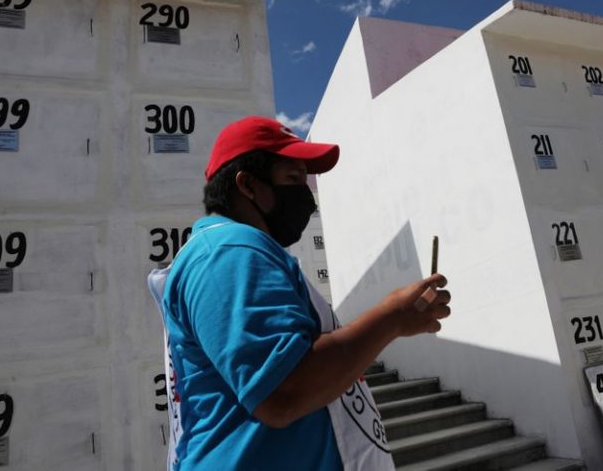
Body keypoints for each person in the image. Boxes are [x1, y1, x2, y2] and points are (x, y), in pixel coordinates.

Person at [148, 116, 451, 470]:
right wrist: (393, 317)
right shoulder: (230, 249)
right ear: (247, 185)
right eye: (292, 178)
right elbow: (283, 391)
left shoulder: (236, 250)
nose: (307, 197)